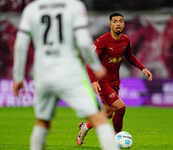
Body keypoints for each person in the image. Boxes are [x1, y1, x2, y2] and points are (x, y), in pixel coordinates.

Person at [12, 1, 120, 150]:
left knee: (42, 121)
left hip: (43, 73)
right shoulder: (74, 6)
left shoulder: (31, 9)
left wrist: (18, 77)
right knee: (99, 117)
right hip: (70, 72)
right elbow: (83, 42)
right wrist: (96, 66)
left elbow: (20, 45)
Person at [77, 12, 152, 145]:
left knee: (107, 114)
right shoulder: (102, 41)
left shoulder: (125, 40)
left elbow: (130, 56)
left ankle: (86, 126)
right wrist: (93, 81)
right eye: (115, 21)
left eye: (120, 21)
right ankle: (116, 138)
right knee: (121, 108)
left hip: (115, 81)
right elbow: (90, 62)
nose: (118, 24)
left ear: (123, 24)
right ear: (110, 24)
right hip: (103, 82)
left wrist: (143, 68)